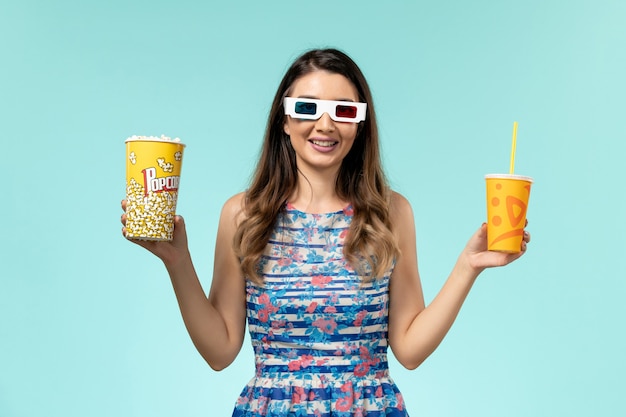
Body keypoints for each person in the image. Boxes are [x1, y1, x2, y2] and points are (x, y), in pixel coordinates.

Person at [120, 48, 530, 416]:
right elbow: (220, 349)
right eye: (307, 108)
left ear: (360, 125)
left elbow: (408, 349)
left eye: (344, 111)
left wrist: (468, 266)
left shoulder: (391, 213)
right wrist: (178, 261)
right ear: (284, 119)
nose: (325, 123)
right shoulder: (242, 214)